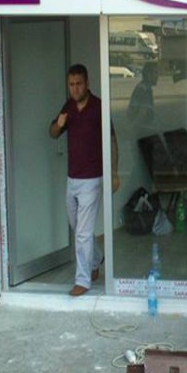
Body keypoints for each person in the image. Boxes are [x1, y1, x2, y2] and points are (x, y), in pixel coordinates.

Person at [49, 64, 119, 297]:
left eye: (79, 84)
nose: (75, 88)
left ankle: (83, 280)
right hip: (72, 178)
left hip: (92, 178)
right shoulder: (68, 106)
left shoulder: (99, 107)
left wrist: (114, 173)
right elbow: (53, 133)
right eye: (71, 84)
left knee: (82, 233)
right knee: (77, 226)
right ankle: (96, 259)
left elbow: (112, 141)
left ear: (87, 83)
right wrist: (59, 124)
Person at [127, 61, 159, 136]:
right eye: (155, 73)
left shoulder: (142, 87)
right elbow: (143, 112)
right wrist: (132, 128)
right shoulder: (145, 90)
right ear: (148, 74)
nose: (158, 76)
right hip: (142, 130)